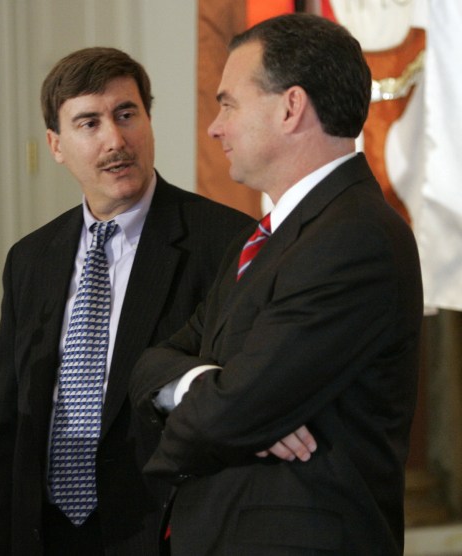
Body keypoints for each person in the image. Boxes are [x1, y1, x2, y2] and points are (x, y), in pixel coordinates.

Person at [130, 13, 423, 555]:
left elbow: (228, 415)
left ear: (290, 108)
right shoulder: (271, 235)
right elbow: (158, 361)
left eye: (229, 104)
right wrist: (200, 383)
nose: (215, 127)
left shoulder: (354, 238)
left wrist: (216, 399)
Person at [0, 47, 253, 556]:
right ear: (56, 145)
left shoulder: (225, 242)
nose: (115, 140)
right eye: (89, 123)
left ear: (148, 119)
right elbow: (8, 426)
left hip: (161, 530)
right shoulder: (30, 259)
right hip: (47, 532)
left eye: (127, 114)